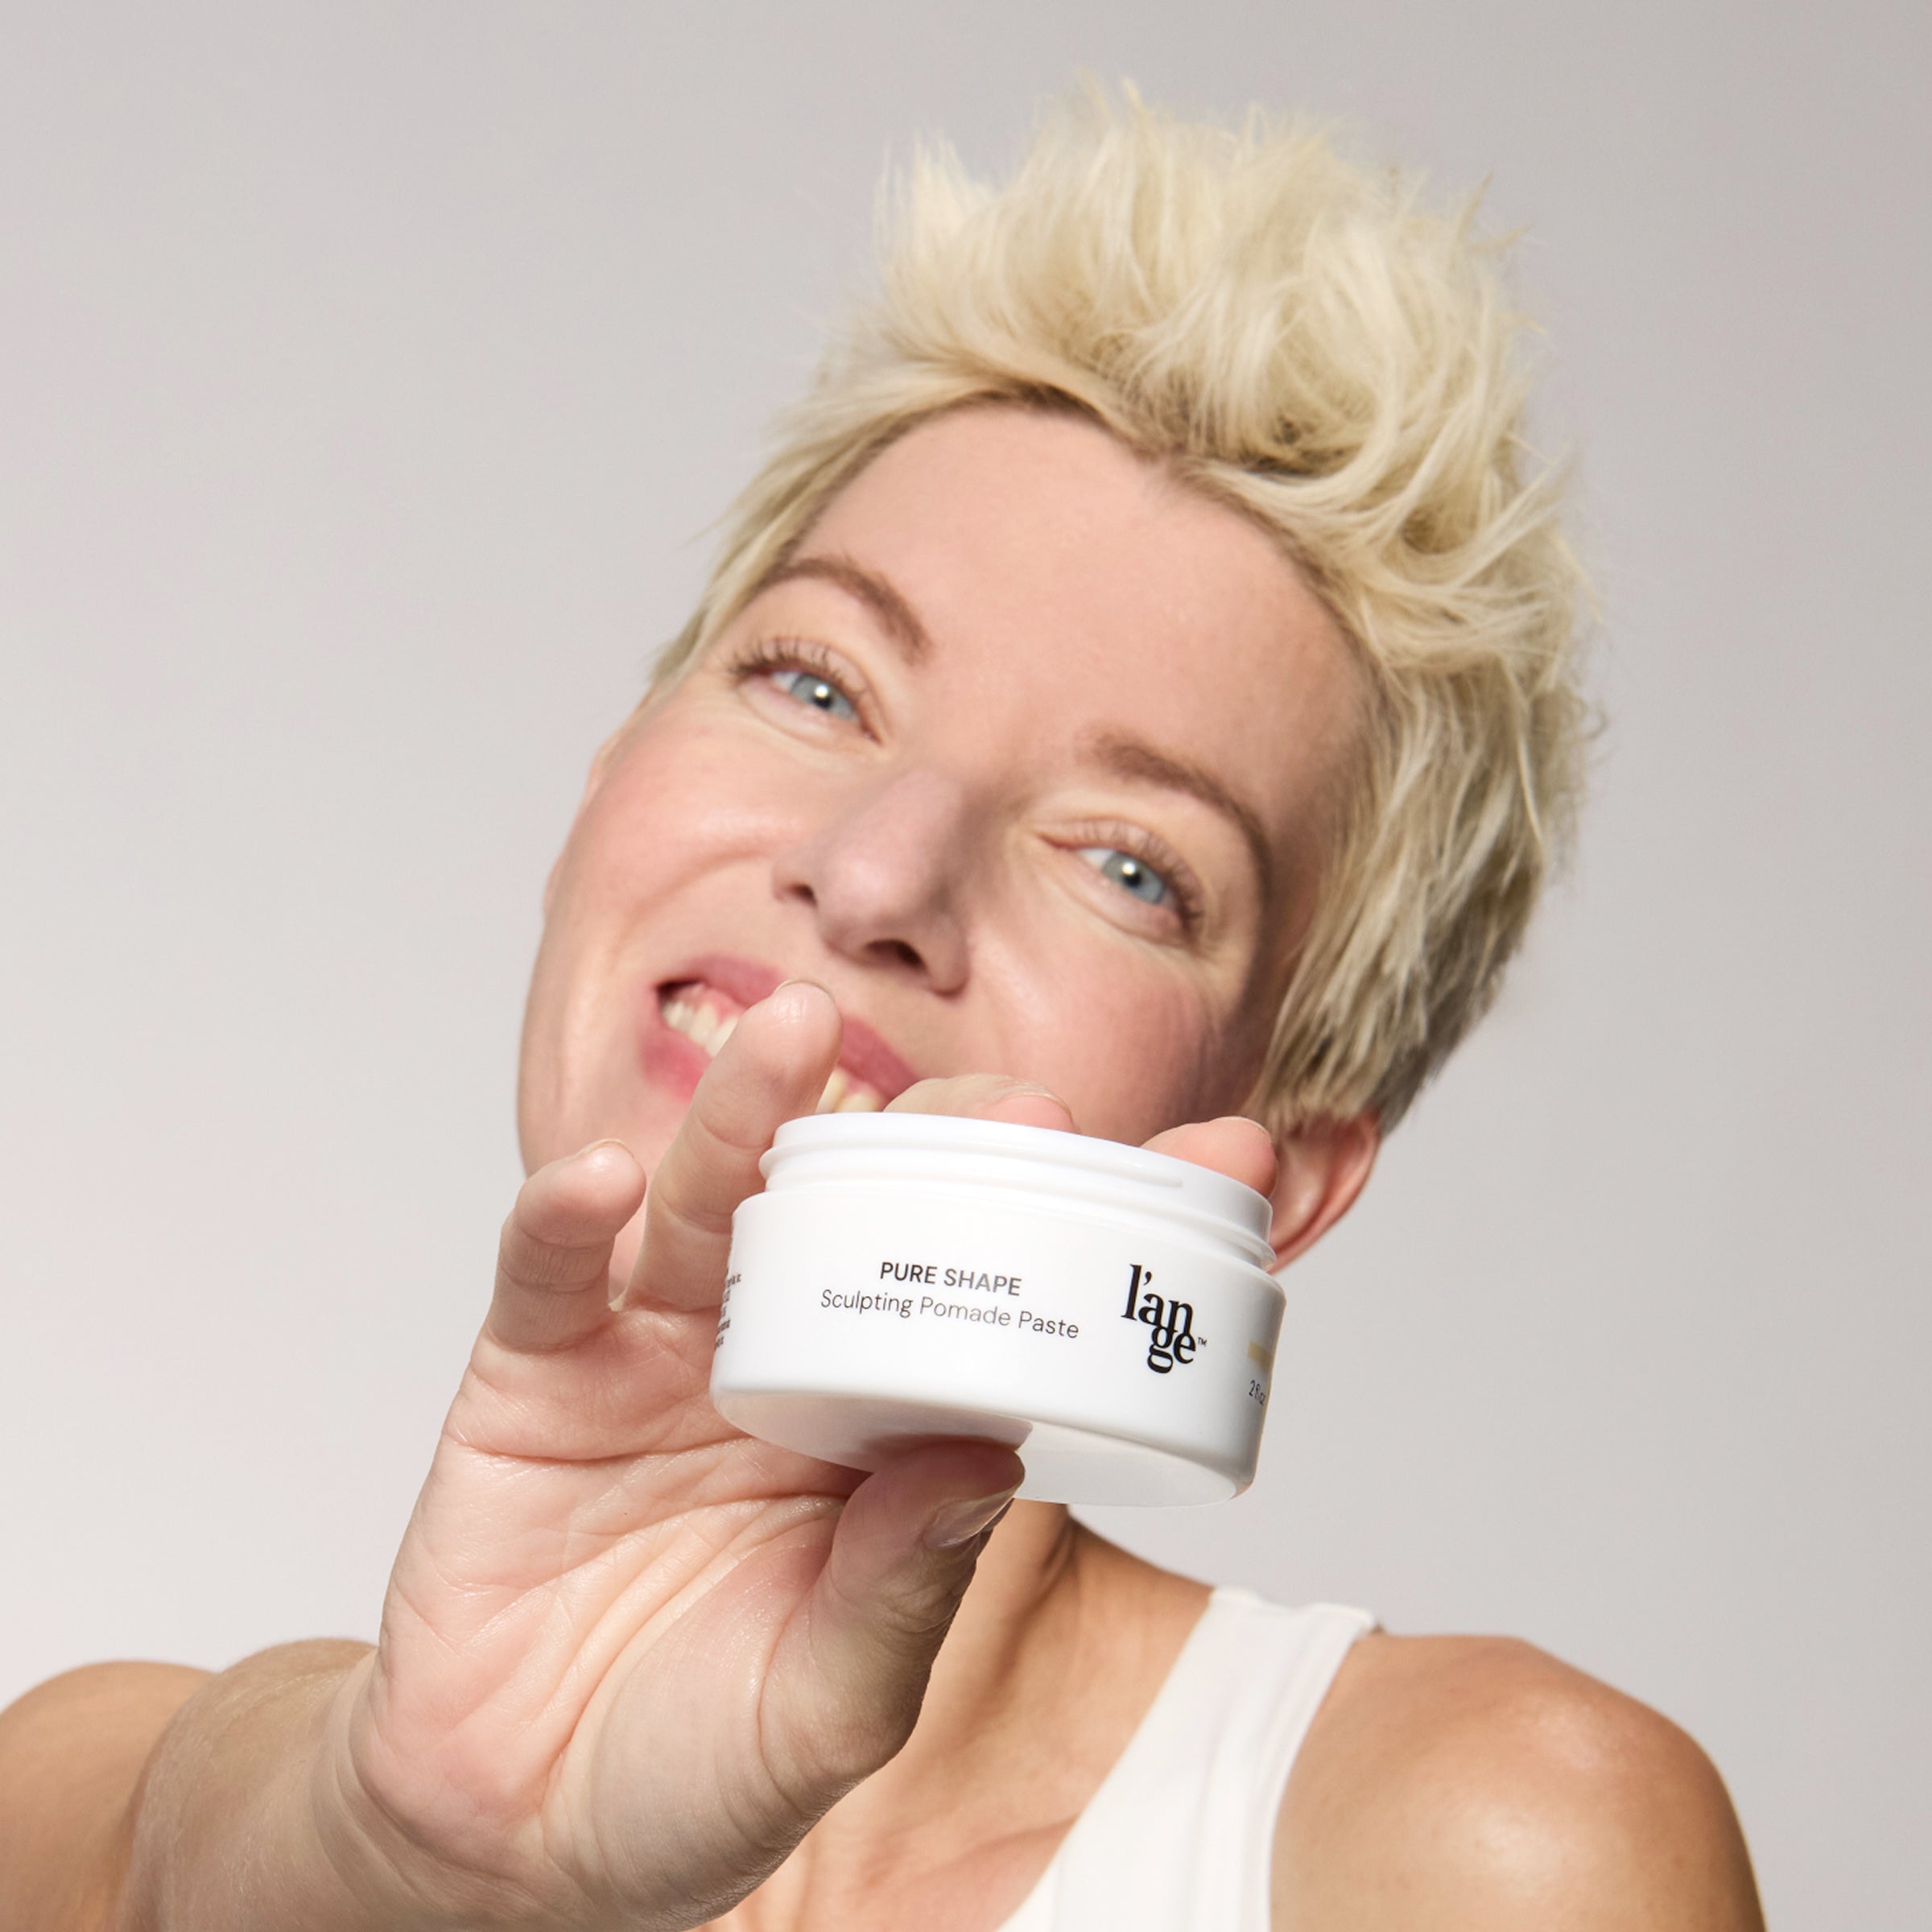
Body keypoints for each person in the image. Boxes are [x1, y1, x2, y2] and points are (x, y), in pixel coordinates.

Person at [0, 90, 1765, 1930]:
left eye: (1129, 862)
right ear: (610, 777)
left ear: (1279, 1181)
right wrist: (405, 1856)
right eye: (815, 681)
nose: (879, 872)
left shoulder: (1482, 1844)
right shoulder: (87, 1814)